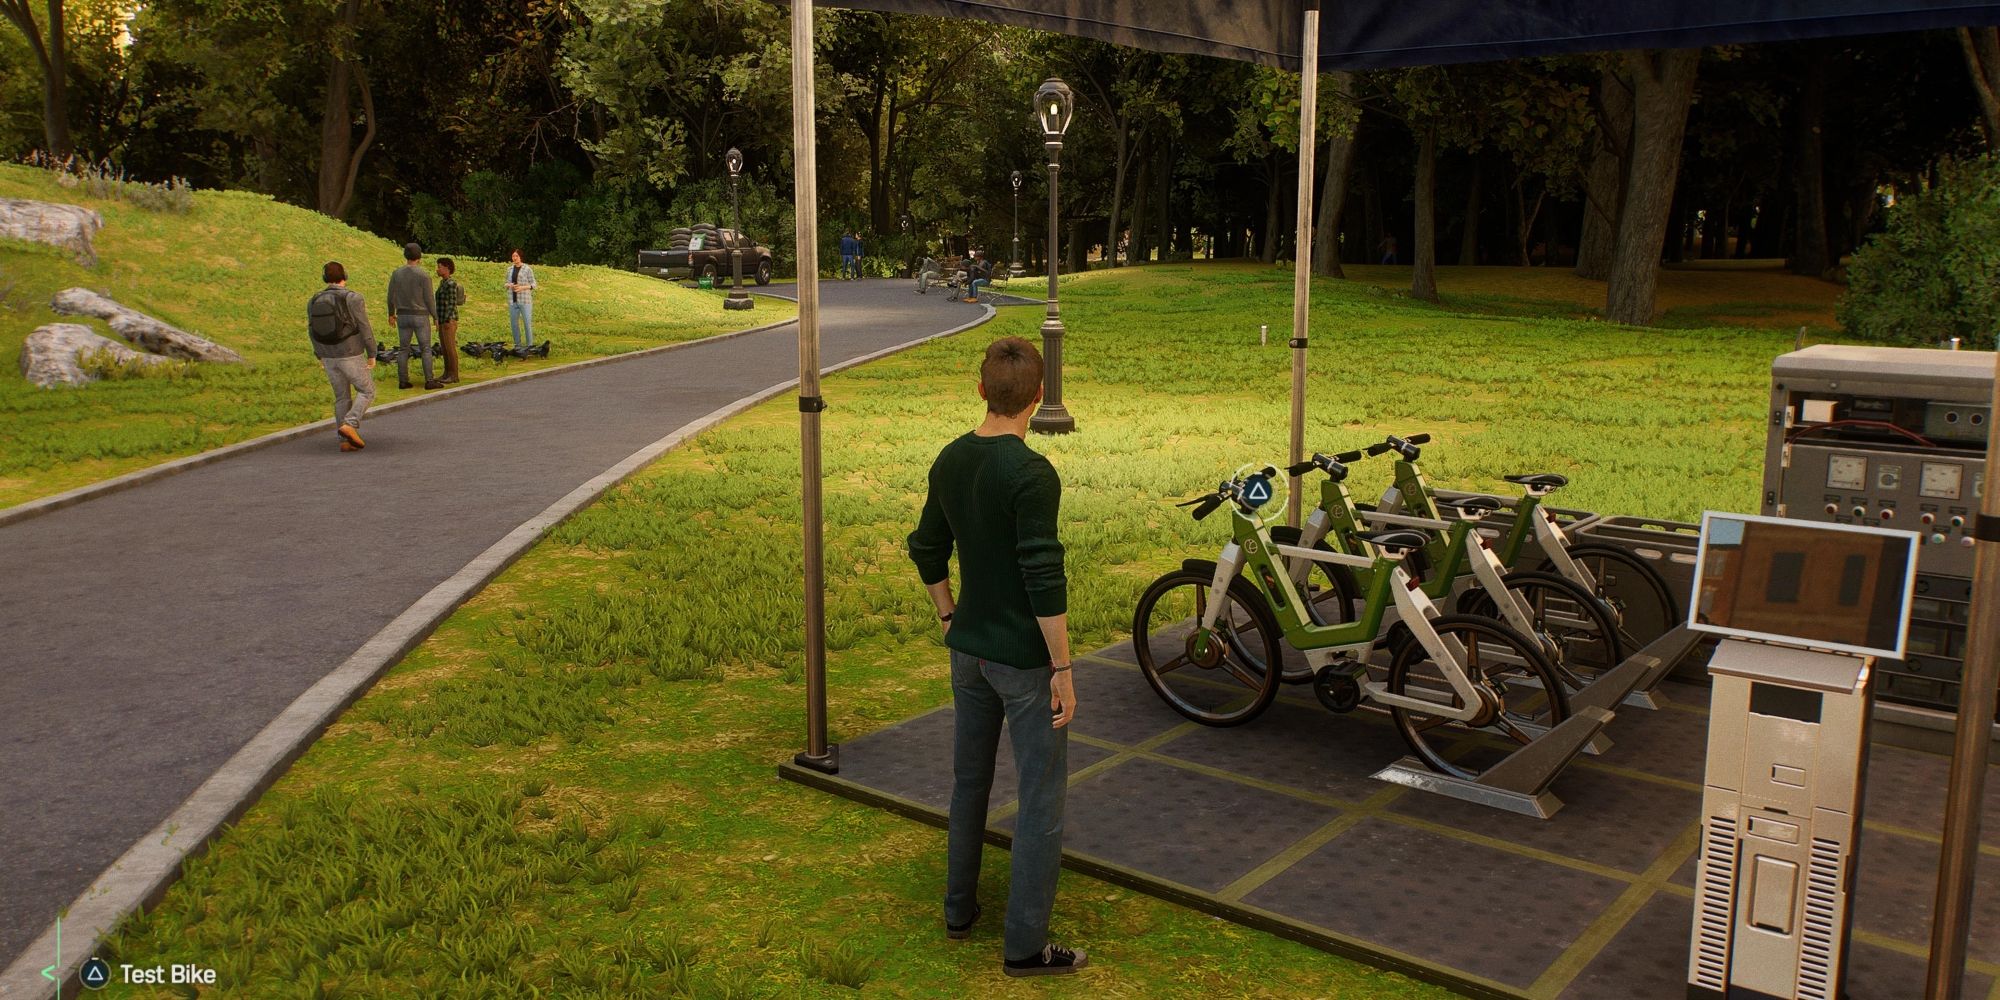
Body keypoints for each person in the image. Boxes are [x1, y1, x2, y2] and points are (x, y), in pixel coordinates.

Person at [906, 336, 1086, 979]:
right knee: (1040, 798)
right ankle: (1024, 947)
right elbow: (1043, 575)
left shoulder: (951, 459)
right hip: (1026, 664)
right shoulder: (1032, 473)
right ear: (1038, 399)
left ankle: (959, 911)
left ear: (980, 389)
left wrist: (950, 614)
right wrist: (1062, 668)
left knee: (968, 783)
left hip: (969, 653)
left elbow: (927, 547)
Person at [306, 261, 376, 452]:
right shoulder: (353, 298)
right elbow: (364, 326)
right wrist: (372, 352)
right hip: (349, 353)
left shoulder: (313, 300)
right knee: (367, 390)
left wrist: (319, 353)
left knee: (341, 396)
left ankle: (344, 440)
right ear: (345, 275)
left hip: (328, 355)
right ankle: (350, 424)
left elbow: (311, 330)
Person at [386, 242, 440, 390]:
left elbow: (391, 296)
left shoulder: (397, 274)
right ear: (419, 256)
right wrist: (435, 316)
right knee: (426, 348)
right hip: (420, 315)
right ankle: (429, 380)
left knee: (404, 348)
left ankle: (403, 380)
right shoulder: (423, 275)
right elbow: (429, 298)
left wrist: (391, 313)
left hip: (402, 315)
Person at [433, 257, 466, 384]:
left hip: (448, 320)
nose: (438, 269)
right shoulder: (443, 283)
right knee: (445, 348)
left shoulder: (451, 284)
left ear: (447, 268)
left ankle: (454, 374)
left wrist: (446, 320)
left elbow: (452, 304)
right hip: (442, 319)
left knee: (450, 348)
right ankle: (447, 373)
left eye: (440, 266)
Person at [505, 248, 537, 349]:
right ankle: (517, 346)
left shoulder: (527, 269)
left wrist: (522, 287)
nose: (514, 258)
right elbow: (506, 283)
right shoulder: (509, 269)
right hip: (512, 300)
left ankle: (529, 346)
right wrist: (509, 285)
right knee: (514, 324)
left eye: (516, 256)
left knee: (527, 324)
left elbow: (534, 284)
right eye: (513, 256)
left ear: (520, 257)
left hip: (525, 301)